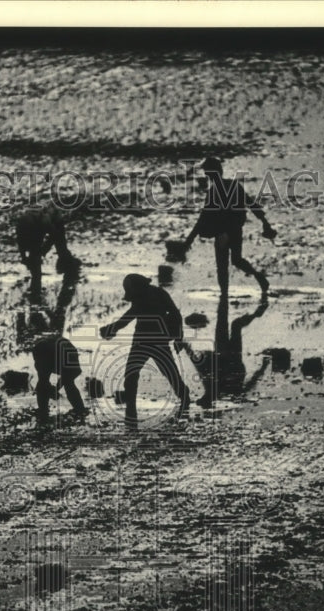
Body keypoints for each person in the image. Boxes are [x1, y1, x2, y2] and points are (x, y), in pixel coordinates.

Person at [100, 274, 191, 427]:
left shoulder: (146, 297)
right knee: (166, 370)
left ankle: (131, 409)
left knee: (134, 372)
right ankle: (183, 395)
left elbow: (129, 316)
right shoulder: (155, 293)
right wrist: (178, 337)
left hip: (148, 339)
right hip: (153, 339)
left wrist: (112, 328)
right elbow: (175, 314)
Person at [182, 157, 276, 299]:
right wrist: (264, 221)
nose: (207, 174)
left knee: (222, 266)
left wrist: (188, 242)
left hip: (222, 231)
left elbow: (203, 218)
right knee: (236, 260)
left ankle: (224, 296)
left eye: (207, 171)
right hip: (235, 229)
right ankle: (258, 278)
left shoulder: (214, 191)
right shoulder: (232, 185)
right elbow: (251, 203)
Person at [179, 298, 270, 407]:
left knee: (233, 324)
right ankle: (251, 312)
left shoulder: (213, 388)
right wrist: (263, 367)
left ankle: (226, 298)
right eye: (203, 398)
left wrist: (186, 348)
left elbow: (199, 364)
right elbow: (249, 385)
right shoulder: (216, 389)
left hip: (225, 355)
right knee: (234, 324)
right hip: (232, 359)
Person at [15, 201, 80, 293]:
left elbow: (54, 235)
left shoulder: (44, 220)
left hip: (55, 221)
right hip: (36, 229)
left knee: (61, 247)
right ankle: (36, 288)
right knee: (36, 267)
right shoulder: (23, 223)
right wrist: (24, 257)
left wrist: (44, 249)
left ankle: (68, 266)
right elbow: (20, 241)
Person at [33, 335, 87, 419]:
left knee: (68, 383)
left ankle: (79, 410)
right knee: (43, 381)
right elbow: (43, 380)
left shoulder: (68, 355)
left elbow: (73, 373)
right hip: (45, 349)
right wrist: (54, 389)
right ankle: (43, 411)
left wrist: (56, 389)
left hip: (59, 351)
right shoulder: (42, 352)